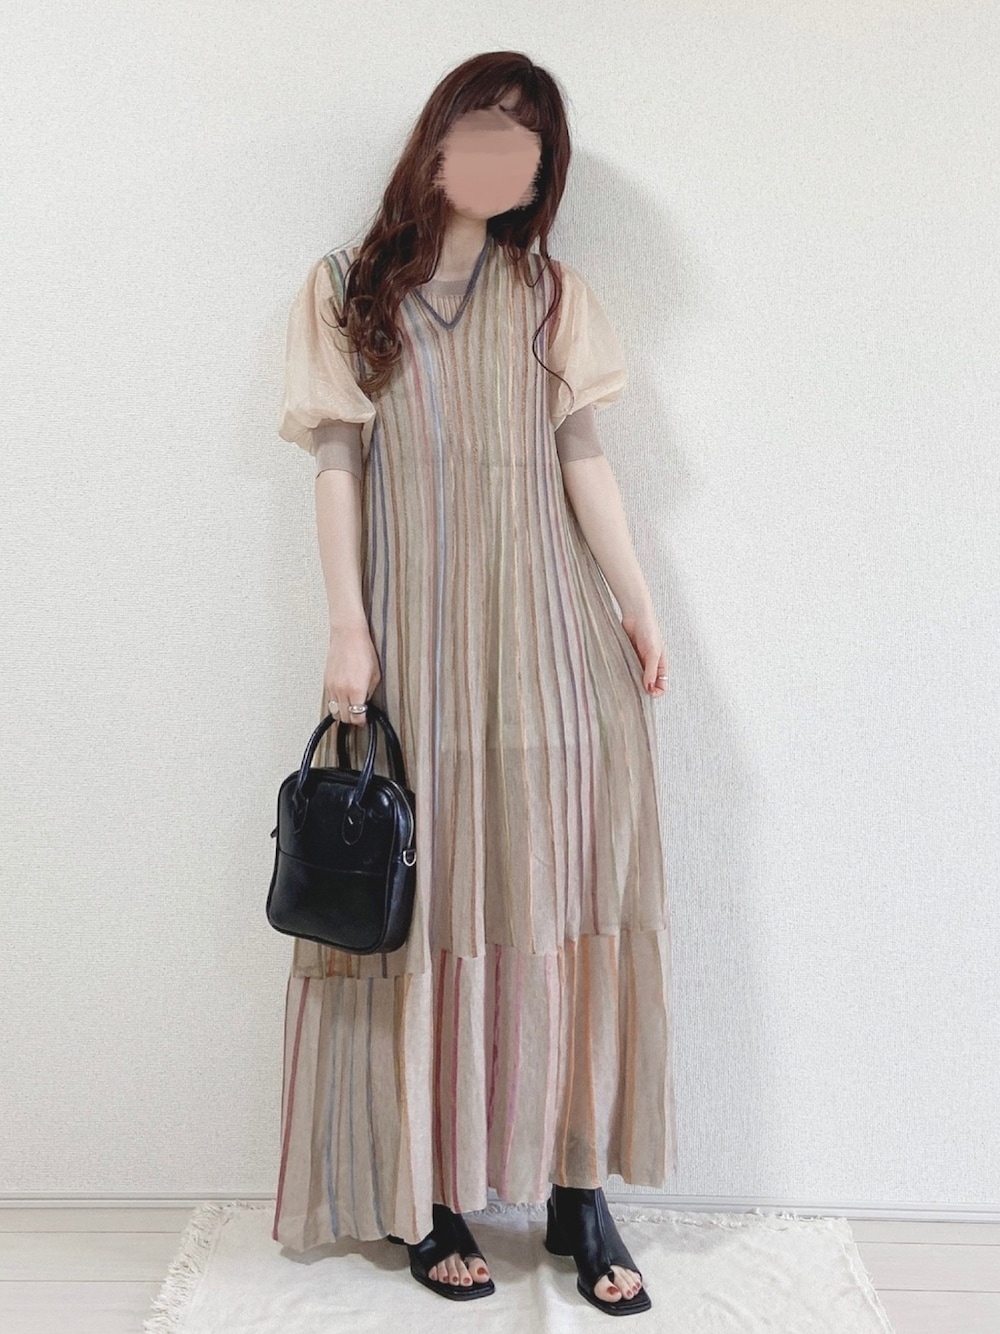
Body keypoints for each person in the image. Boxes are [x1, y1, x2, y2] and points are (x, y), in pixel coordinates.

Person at [273, 50, 676, 1316]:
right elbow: (336, 462)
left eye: (530, 143)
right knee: (431, 907)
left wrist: (638, 604)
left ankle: (576, 1188)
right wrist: (348, 628)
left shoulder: (550, 294)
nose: (507, 157)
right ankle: (433, 1186)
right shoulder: (345, 291)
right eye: (488, 126)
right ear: (439, 134)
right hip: (421, 653)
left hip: (554, 648)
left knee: (562, 898)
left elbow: (583, 455)